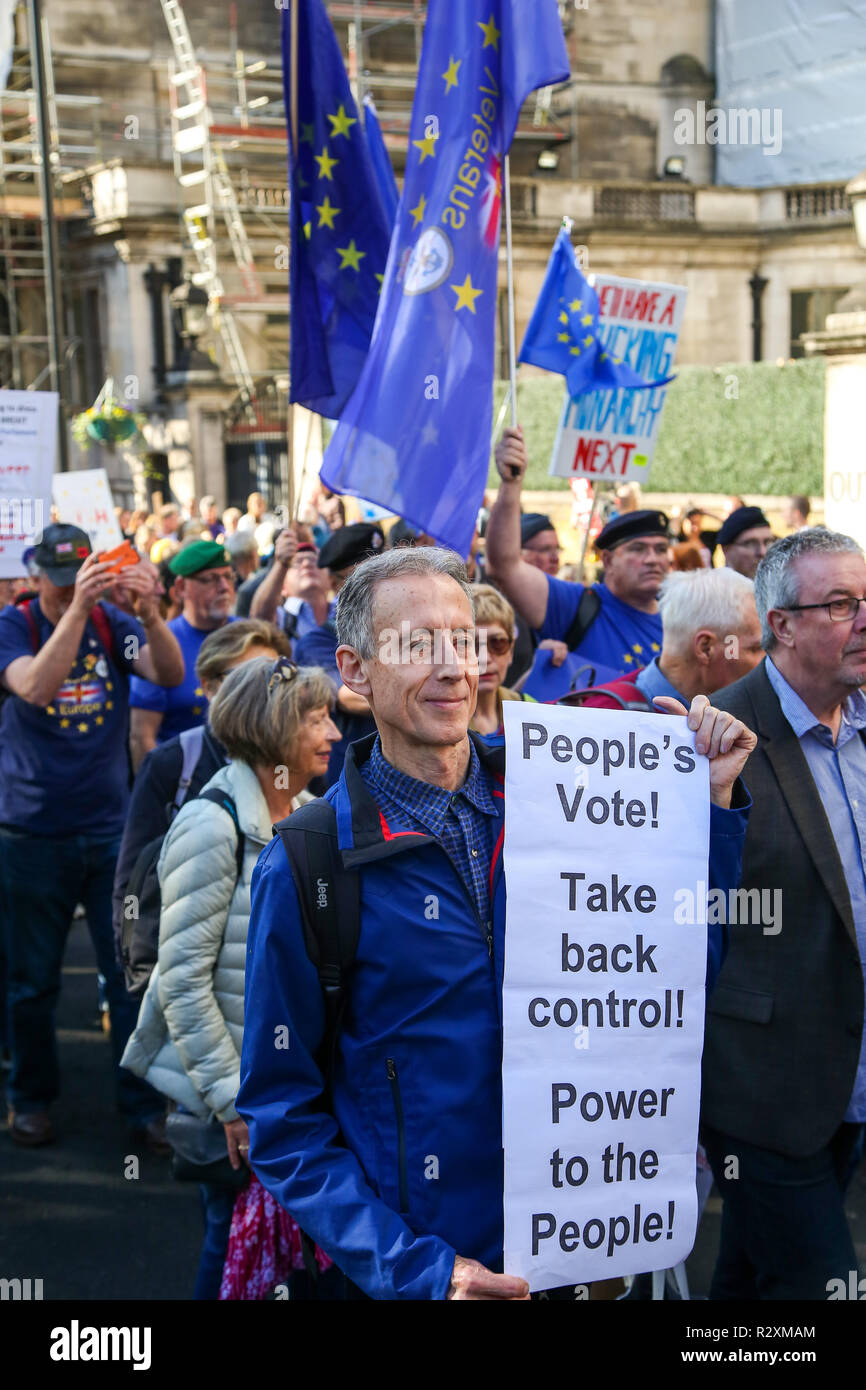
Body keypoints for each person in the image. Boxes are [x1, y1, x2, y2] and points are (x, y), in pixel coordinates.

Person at [236, 546, 755, 1301]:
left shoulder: (573, 794)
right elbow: (282, 1121)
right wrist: (420, 1272)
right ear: (354, 670)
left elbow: (672, 987)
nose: (454, 666)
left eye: (465, 639)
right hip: (429, 1272)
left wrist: (706, 811)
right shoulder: (309, 863)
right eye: (418, 644)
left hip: (584, 1250)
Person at [121, 656, 339, 1298]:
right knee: (228, 1249)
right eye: (316, 717)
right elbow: (182, 981)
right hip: (237, 1103)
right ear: (273, 729)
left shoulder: (304, 811)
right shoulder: (210, 824)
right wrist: (230, 1101)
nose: (333, 732)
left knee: (279, 1257)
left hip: (288, 1092)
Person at [702, 527, 866, 1300]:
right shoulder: (716, 737)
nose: (863, 619)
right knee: (824, 1289)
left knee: (748, 1288)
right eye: (841, 604)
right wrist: (712, 800)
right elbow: (683, 911)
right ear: (782, 625)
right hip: (766, 1094)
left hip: (855, 1083)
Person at [0, 525, 184, 1147]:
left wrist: (152, 615)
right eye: (57, 579)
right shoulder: (16, 625)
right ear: (37, 576)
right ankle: (30, 1097)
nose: (64, 588)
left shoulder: (112, 621)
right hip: (32, 832)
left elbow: (169, 670)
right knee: (32, 982)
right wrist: (76, 609)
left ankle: (140, 1107)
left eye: (76, 577)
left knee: (129, 972)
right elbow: (34, 688)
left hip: (110, 831)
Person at [111, 619, 290, 964]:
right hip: (185, 963)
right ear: (209, 688)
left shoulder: (301, 762)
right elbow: (133, 876)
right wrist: (137, 963)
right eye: (241, 680)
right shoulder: (173, 763)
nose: (261, 693)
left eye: (274, 678)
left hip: (271, 965)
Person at [486, 427, 670, 694]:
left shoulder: (683, 622)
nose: (653, 559)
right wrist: (511, 484)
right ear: (607, 560)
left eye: (661, 549)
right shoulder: (575, 604)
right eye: (638, 549)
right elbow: (504, 565)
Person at [576, 569, 764, 711]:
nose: (768, 659)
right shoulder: (608, 719)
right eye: (756, 648)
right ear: (705, 648)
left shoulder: (737, 709)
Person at [129, 540, 235, 769]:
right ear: (180, 587)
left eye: (228, 576)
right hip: (185, 790)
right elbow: (142, 737)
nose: (224, 587)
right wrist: (159, 795)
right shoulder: (160, 646)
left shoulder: (252, 636)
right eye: (210, 579)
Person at [293, 523, 384, 785]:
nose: (380, 586)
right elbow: (349, 696)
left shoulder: (402, 629)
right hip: (351, 777)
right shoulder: (318, 642)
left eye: (385, 574)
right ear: (335, 584)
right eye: (365, 578)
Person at [469, 585, 536, 737]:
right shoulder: (439, 720)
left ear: (511, 650)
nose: (484, 658)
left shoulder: (528, 708)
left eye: (498, 643)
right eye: (471, 644)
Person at [250, 534, 332, 639]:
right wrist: (282, 563)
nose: (307, 564)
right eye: (297, 562)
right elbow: (259, 620)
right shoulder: (281, 618)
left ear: (331, 581)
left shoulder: (344, 609)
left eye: (314, 561)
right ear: (282, 587)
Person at [716, 506, 776, 580]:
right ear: (726, 550)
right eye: (750, 543)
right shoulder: (713, 589)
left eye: (768, 542)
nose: (762, 552)